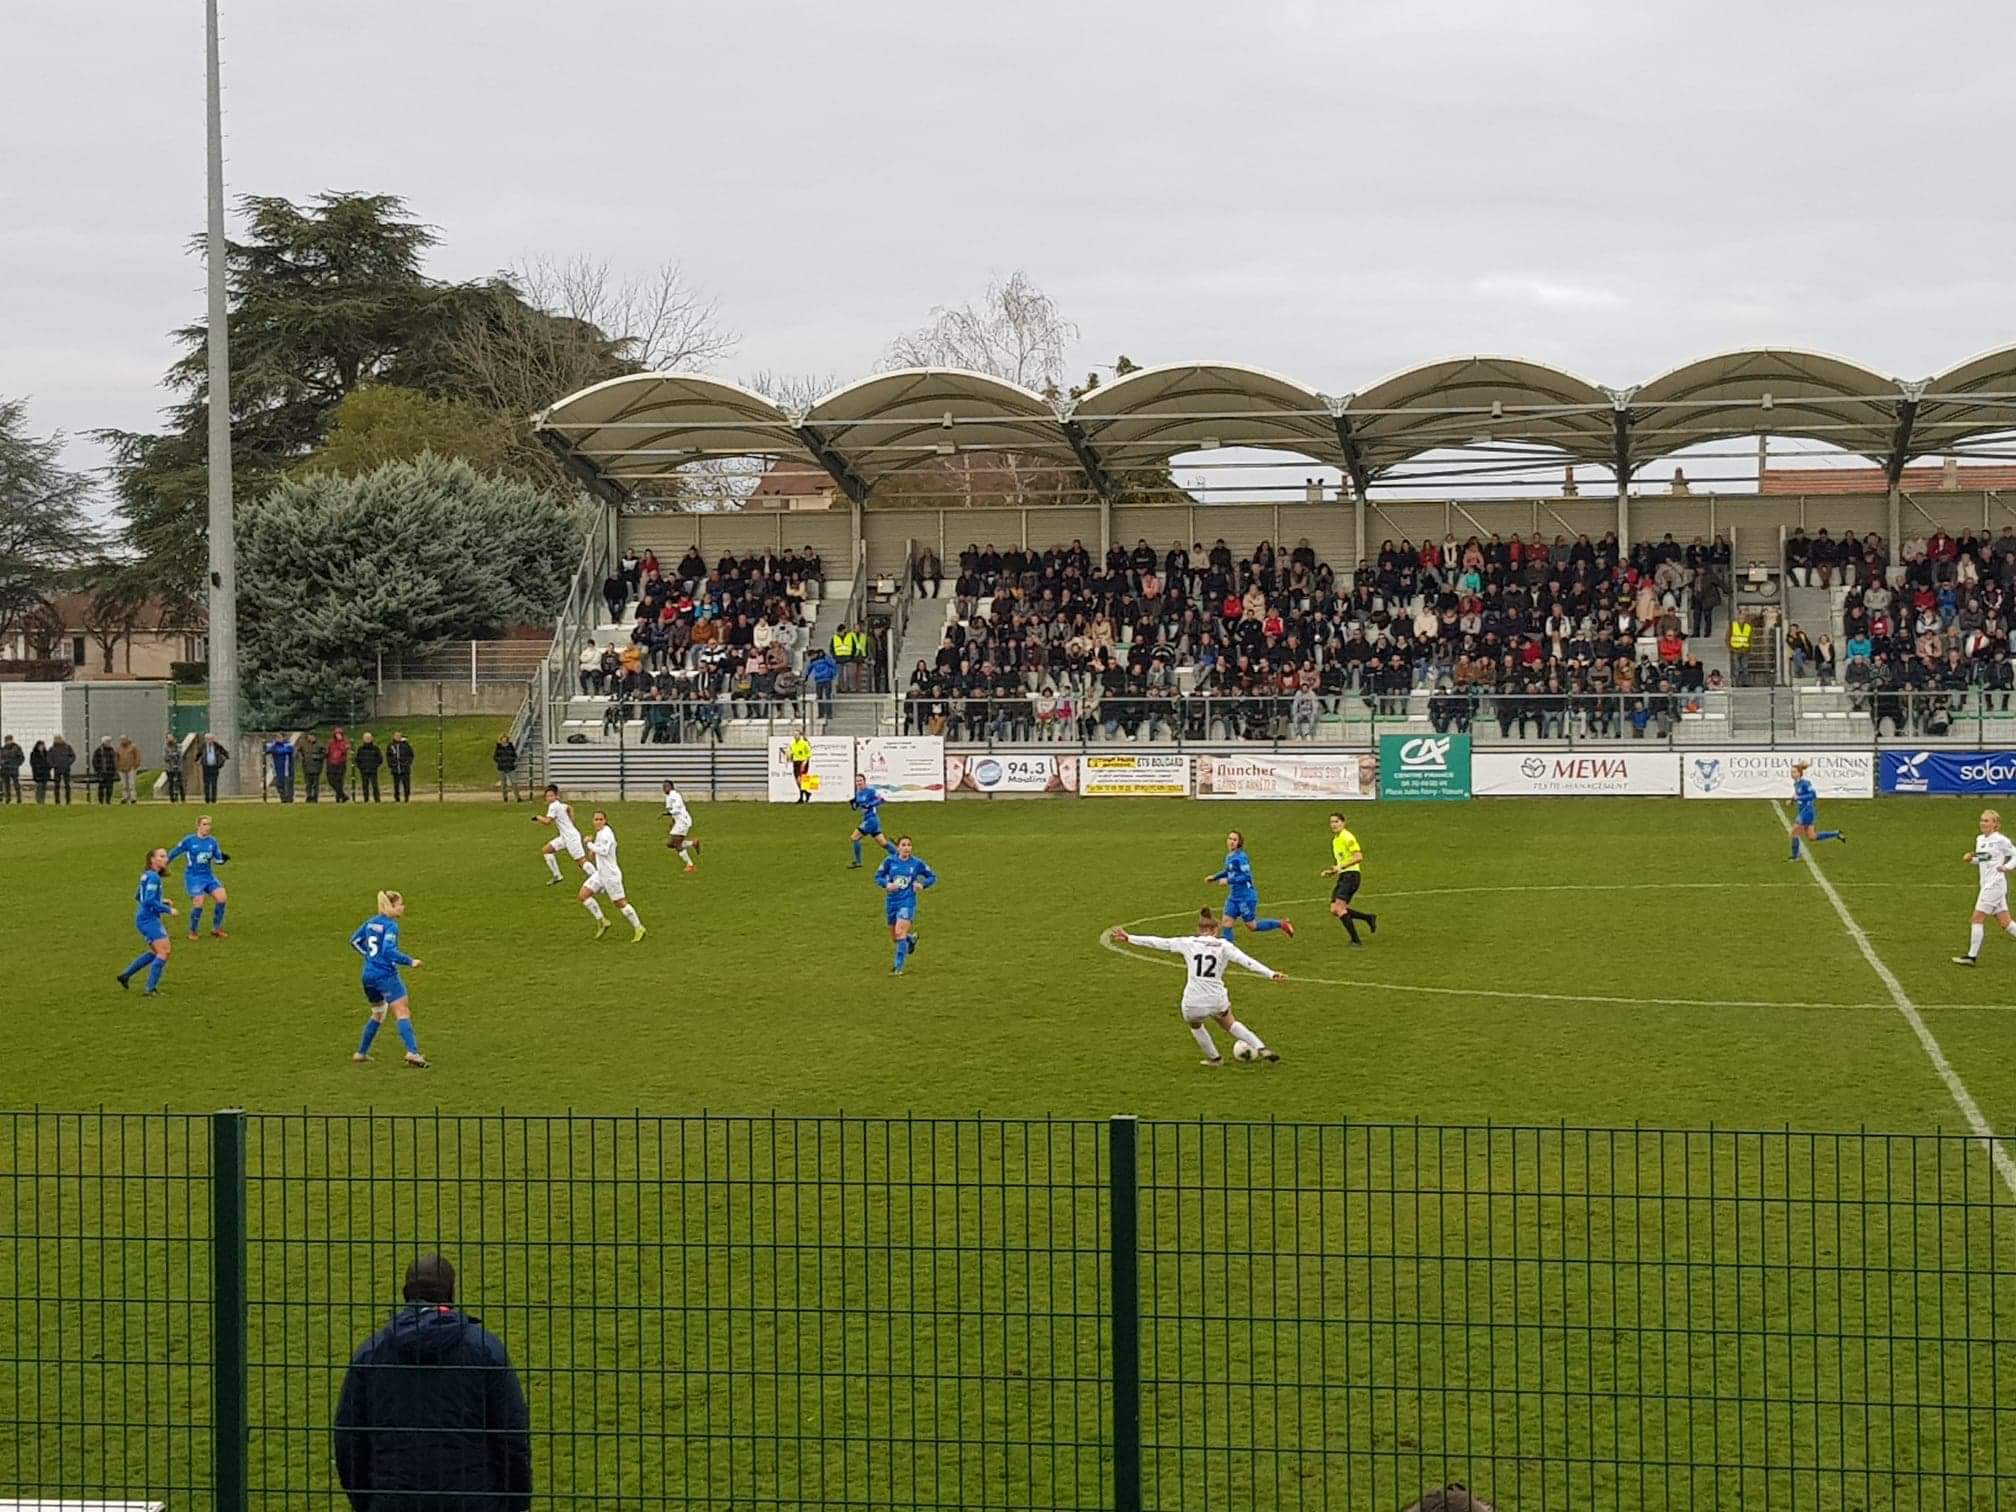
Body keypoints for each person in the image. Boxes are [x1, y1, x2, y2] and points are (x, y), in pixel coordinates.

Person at [332, 1254, 531, 1510]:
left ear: (406, 1294)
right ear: (451, 1294)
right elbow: (511, 1433)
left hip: (393, 1501)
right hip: (471, 1501)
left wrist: (367, 1500)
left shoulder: (370, 1353)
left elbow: (348, 1438)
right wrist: (516, 1500)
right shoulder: (485, 1350)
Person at [1111, 907, 1283, 1066]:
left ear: (1199, 929)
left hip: (1193, 1001)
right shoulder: (1224, 945)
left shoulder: (1188, 942)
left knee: (1195, 1025)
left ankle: (1215, 1059)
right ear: (1216, 930)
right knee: (1229, 1023)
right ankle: (1260, 1047)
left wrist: (1129, 938)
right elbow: (1246, 961)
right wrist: (1270, 973)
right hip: (1217, 998)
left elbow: (1159, 942)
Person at [349, 890, 429, 1067]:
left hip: (368, 976)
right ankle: (412, 1052)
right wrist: (410, 961)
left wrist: (370, 957)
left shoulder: (371, 922)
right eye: (400, 904)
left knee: (378, 1012)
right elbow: (388, 950)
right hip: (385, 975)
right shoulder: (391, 926)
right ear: (391, 906)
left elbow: (354, 941)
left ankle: (361, 1053)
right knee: (402, 1011)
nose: (403, 907)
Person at [1953, 809, 2016, 967]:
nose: (1983, 823)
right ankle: (1971, 957)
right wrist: (1972, 859)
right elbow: (1986, 857)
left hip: (1994, 886)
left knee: (1977, 918)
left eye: (1987, 821)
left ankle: (1971, 957)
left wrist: (2007, 867)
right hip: (1987, 885)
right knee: (2006, 923)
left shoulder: (2001, 840)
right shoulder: (1980, 839)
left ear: (1995, 824)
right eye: (1982, 820)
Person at [1208, 830, 1293, 940]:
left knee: (1252, 926)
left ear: (1239, 842)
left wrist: (1228, 881)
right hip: (1234, 897)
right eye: (1230, 839)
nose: (1231, 841)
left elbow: (1246, 877)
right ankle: (1228, 949)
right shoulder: (1229, 856)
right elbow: (1228, 870)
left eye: (1234, 840)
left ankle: (1281, 924)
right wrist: (1215, 877)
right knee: (1226, 922)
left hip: (1246, 898)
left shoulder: (1241, 857)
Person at [116, 846, 178, 996]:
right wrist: (167, 909)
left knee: (156, 952)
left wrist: (161, 900)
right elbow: (148, 900)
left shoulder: (147, 875)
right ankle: (150, 989)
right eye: (161, 856)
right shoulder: (154, 877)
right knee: (164, 952)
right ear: (152, 860)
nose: (166, 859)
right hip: (148, 919)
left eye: (165, 856)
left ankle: (125, 975)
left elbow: (140, 896)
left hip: (144, 917)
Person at [874, 835, 936, 976]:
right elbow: (878, 877)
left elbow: (932, 876)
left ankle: (898, 968)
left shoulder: (917, 863)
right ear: (898, 848)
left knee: (899, 932)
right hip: (892, 902)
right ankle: (911, 939)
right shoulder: (889, 861)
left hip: (907, 902)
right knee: (895, 937)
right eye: (903, 845)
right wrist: (887, 884)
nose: (907, 847)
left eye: (909, 845)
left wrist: (922, 884)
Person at [580, 810, 646, 942]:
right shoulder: (599, 833)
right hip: (601, 873)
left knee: (620, 903)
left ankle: (639, 927)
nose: (598, 822)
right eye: (596, 819)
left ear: (605, 821)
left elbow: (604, 851)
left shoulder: (607, 834)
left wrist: (589, 844)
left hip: (610, 875)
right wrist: (592, 850)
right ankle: (602, 921)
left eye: (601, 819)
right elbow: (597, 852)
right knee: (583, 895)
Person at [169, 815, 231, 939]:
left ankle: (216, 929)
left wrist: (223, 860)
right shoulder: (189, 840)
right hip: (193, 877)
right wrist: (162, 865)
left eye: (209, 824)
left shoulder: (212, 841)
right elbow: (174, 853)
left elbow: (218, 859)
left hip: (208, 876)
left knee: (222, 898)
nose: (207, 827)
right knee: (199, 903)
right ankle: (193, 931)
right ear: (198, 826)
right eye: (204, 824)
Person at [1323, 812, 1379, 945]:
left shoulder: (1347, 837)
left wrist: (1340, 867)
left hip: (1351, 876)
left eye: (1336, 821)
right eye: (1331, 822)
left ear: (1343, 823)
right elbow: (1343, 861)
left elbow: (1358, 857)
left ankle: (1355, 940)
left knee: (1339, 909)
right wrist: (1333, 871)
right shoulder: (1336, 840)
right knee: (1334, 909)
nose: (1333, 825)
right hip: (1344, 875)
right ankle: (1368, 918)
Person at [1787, 761, 1845, 860]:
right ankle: (1836, 834)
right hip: (1802, 810)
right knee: (1812, 836)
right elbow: (1797, 794)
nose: (1792, 774)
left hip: (1807, 811)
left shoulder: (1805, 783)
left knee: (1794, 833)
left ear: (1800, 773)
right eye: (1791, 772)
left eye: (1794, 772)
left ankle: (1795, 856)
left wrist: (1799, 798)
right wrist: (1792, 800)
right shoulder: (1796, 783)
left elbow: (1813, 795)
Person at [535, 784, 587, 883]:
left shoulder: (553, 806)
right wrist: (571, 820)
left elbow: (547, 822)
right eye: (548, 796)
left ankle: (597, 877)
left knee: (581, 861)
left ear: (556, 796)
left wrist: (538, 817)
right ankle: (557, 876)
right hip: (564, 837)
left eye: (551, 796)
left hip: (571, 837)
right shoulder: (559, 804)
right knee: (546, 850)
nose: (549, 798)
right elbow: (569, 807)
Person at [847, 774, 894, 868]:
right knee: (883, 843)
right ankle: (901, 858)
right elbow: (858, 805)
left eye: (860, 780)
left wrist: (870, 804)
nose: (859, 783)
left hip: (871, 820)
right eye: (857, 781)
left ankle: (858, 862)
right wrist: (854, 804)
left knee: (855, 837)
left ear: (864, 781)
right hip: (869, 819)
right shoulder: (858, 792)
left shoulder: (871, 791)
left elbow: (881, 800)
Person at [662, 780, 699, 872]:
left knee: (676, 843)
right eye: (663, 787)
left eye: (666, 786)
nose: (664, 788)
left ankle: (690, 865)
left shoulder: (675, 795)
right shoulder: (668, 797)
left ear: (671, 787)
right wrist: (673, 821)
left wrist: (669, 813)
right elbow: (673, 811)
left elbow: (677, 808)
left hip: (683, 821)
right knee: (670, 844)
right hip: (678, 822)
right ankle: (692, 843)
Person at [198, 731, 230, 803]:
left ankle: (213, 799)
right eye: (208, 739)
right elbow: (198, 755)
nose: (209, 740)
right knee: (206, 783)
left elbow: (225, 753)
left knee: (214, 783)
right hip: (206, 767)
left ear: (213, 739)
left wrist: (223, 759)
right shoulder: (202, 746)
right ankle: (207, 799)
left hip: (214, 767)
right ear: (205, 740)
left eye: (211, 739)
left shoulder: (217, 746)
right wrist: (198, 761)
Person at [265, 733, 296, 803]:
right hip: (277, 770)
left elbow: (285, 750)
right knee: (279, 785)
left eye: (279, 737)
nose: (278, 739)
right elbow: (267, 751)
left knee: (287, 786)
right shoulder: (274, 746)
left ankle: (289, 799)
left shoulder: (288, 745)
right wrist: (274, 745)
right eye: (277, 737)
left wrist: (275, 750)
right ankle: (283, 799)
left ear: (283, 738)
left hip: (286, 770)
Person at [386, 731, 415, 803]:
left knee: (406, 784)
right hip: (395, 769)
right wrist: (391, 764)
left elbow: (411, 755)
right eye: (396, 736)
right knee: (396, 785)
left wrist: (407, 763)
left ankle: (406, 798)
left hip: (405, 768)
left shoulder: (406, 745)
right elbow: (388, 756)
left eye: (399, 736)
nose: (397, 737)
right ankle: (397, 798)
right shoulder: (391, 746)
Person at [355, 732, 384, 802]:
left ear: (371, 738)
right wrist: (360, 767)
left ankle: (377, 799)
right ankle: (366, 799)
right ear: (363, 739)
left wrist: (375, 765)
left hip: (373, 770)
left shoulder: (375, 748)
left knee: (375, 785)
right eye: (366, 738)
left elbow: (380, 759)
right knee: (365, 786)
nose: (367, 739)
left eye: (369, 738)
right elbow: (357, 759)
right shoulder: (360, 749)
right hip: (364, 770)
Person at [493, 733, 522, 802]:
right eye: (503, 738)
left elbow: (514, 755)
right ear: (501, 739)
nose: (504, 739)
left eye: (505, 738)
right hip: (502, 767)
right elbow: (495, 757)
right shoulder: (498, 747)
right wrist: (500, 761)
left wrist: (512, 761)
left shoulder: (510, 746)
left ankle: (517, 797)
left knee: (514, 782)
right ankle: (505, 797)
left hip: (510, 767)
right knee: (503, 783)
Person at [787, 729, 813, 804]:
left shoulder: (804, 743)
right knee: (797, 781)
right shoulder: (792, 744)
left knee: (800, 780)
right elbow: (791, 753)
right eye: (794, 735)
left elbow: (809, 753)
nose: (795, 736)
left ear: (799, 735)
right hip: (796, 763)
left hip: (802, 762)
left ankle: (801, 798)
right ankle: (807, 793)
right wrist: (789, 757)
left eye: (797, 735)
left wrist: (805, 762)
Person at [115, 735, 142, 804]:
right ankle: (124, 798)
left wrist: (135, 765)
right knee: (124, 785)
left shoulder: (133, 747)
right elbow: (116, 758)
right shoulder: (119, 748)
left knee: (131, 784)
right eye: (122, 740)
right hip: (121, 769)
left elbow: (137, 756)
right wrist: (118, 766)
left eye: (124, 739)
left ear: (127, 739)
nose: (123, 741)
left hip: (131, 768)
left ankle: (133, 798)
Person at [298, 730, 324, 803]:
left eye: (311, 736)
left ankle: (315, 796)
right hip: (306, 766)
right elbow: (299, 751)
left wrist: (317, 757)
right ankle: (308, 796)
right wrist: (301, 757)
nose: (310, 737)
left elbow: (324, 753)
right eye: (309, 736)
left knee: (315, 784)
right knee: (308, 783)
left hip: (316, 767)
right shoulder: (303, 743)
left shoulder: (320, 744)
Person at [326, 727, 351, 803]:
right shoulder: (331, 743)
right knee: (331, 780)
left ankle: (339, 797)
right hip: (331, 763)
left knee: (339, 781)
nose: (338, 735)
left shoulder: (345, 742)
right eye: (336, 734)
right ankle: (343, 795)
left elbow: (344, 750)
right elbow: (328, 752)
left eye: (339, 734)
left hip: (340, 763)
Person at [91, 736, 118, 804]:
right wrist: (97, 769)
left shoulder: (112, 750)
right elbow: (94, 761)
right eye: (107, 741)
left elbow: (114, 760)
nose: (109, 743)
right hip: (101, 772)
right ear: (103, 742)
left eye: (109, 741)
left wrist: (115, 770)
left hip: (110, 772)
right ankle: (101, 801)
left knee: (110, 787)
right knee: (101, 787)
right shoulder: (98, 750)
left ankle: (108, 801)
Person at [49, 734, 75, 804]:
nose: (58, 740)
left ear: (62, 739)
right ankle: (57, 801)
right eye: (56, 739)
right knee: (56, 786)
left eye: (59, 738)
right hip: (57, 769)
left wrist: (68, 762)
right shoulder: (52, 748)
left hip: (66, 769)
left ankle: (68, 801)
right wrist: (53, 765)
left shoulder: (68, 747)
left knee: (67, 785)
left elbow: (73, 756)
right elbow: (49, 758)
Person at [161, 734, 185, 802]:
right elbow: (165, 757)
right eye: (168, 738)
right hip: (170, 768)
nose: (170, 739)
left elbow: (180, 756)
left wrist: (175, 756)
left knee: (180, 783)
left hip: (178, 768)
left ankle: (182, 798)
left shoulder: (178, 746)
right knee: (171, 783)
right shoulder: (166, 747)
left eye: (171, 738)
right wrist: (172, 756)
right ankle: (172, 798)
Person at [0, 734, 22, 803]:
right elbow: (1, 758)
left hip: (14, 769)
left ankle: (19, 798)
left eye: (10, 740)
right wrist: (2, 762)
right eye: (7, 740)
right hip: (5, 769)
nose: (8, 741)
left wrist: (17, 764)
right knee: (7, 785)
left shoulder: (17, 748)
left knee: (16, 784)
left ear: (12, 740)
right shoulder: (3, 749)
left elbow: (21, 757)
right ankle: (8, 799)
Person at [29, 739, 51, 803]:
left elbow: (49, 762)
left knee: (44, 788)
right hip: (38, 773)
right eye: (40, 746)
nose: (41, 747)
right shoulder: (34, 754)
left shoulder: (46, 753)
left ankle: (42, 800)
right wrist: (37, 768)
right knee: (39, 787)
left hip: (45, 773)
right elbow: (32, 763)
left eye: (42, 746)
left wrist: (48, 768)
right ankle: (38, 800)